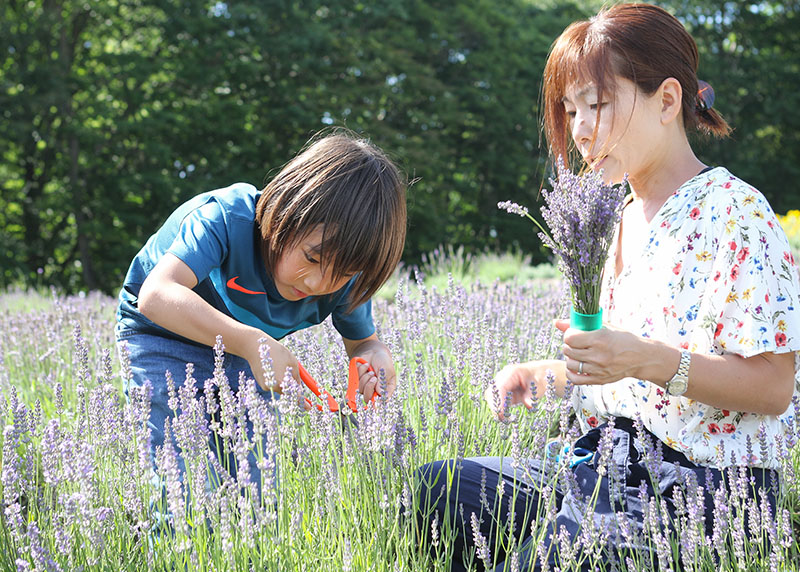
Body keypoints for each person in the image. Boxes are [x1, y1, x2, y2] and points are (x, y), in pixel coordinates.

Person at [415, 4, 800, 570]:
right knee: (437, 491)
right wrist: (544, 375)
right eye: (571, 111)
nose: (581, 128)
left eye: (597, 104)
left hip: (704, 488)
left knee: (541, 559)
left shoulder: (735, 214)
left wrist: (646, 360)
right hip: (601, 462)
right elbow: (623, 370)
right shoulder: (611, 220)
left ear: (667, 101)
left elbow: (773, 387)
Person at [116, 130, 407, 490]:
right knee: (183, 483)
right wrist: (251, 342)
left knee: (255, 484)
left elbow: (364, 344)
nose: (317, 284)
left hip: (248, 350)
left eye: (344, 273)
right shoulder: (225, 218)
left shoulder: (345, 279)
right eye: (311, 257)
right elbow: (157, 295)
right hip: (162, 334)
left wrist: (376, 358)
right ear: (286, 211)